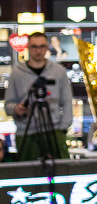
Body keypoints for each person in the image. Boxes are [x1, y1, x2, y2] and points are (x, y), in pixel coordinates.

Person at [5, 32, 73, 161]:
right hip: (26, 130)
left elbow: (67, 101)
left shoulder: (58, 71)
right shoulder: (17, 73)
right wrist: (16, 108)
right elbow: (8, 105)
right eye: (34, 47)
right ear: (28, 47)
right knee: (26, 169)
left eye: (42, 46)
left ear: (47, 47)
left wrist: (63, 128)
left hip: (54, 129)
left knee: (62, 167)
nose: (38, 51)